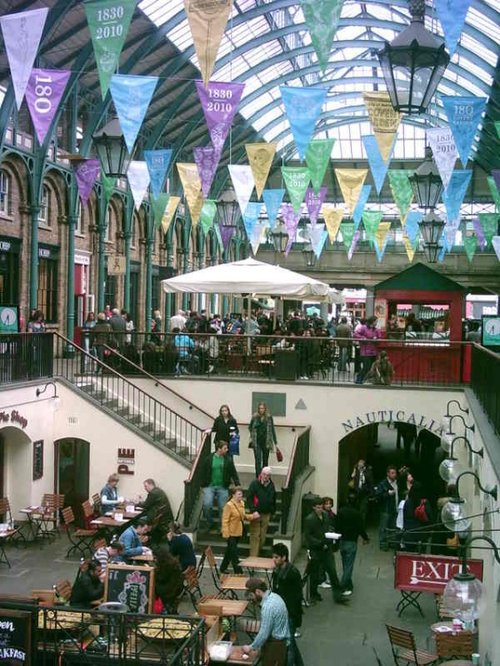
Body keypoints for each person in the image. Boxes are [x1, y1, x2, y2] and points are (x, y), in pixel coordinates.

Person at [303, 496, 347, 604]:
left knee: (332, 572)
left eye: (321, 507)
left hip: (326, 549)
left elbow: (328, 528)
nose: (320, 509)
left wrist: (331, 536)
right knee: (314, 574)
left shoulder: (326, 516)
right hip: (316, 550)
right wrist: (319, 543)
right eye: (318, 507)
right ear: (314, 508)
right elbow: (308, 536)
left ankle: (338, 596)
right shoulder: (309, 519)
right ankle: (314, 594)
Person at [242, 578, 290, 666]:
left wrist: (251, 647)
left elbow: (264, 633)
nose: (252, 599)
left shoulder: (268, 607)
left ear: (258, 592)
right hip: (281, 641)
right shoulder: (275, 596)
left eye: (251, 595)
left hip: (275, 645)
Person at [272, 543, 304, 666]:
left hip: (289, 614)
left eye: (276, 557)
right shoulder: (278, 571)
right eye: (273, 557)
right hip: (284, 612)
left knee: (289, 647)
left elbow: (295, 597)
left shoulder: (292, 574)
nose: (274, 560)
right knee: (291, 643)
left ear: (284, 557)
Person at [200, 440, 240, 531]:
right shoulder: (209, 459)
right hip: (209, 485)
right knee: (207, 504)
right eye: (225, 448)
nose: (227, 450)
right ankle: (209, 522)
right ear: (219, 449)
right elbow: (202, 471)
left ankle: (221, 526)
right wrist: (202, 484)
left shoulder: (228, 459)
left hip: (222, 486)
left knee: (223, 507)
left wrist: (237, 484)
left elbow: (233, 472)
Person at [335, 493, 369, 595]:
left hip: (342, 540)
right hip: (352, 541)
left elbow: (337, 526)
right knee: (349, 565)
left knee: (345, 563)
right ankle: (343, 586)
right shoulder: (357, 514)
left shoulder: (341, 512)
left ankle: (349, 585)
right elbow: (360, 528)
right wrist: (365, 538)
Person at [220, 486, 256, 574]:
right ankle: (238, 571)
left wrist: (252, 516)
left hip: (238, 532)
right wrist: (226, 534)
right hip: (230, 533)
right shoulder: (229, 505)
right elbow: (225, 520)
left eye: (241, 494)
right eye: (239, 494)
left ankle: (223, 567)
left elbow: (242, 516)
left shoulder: (242, 503)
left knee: (229, 551)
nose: (241, 496)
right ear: (233, 495)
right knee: (234, 553)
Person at [247, 467, 276, 557]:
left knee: (262, 537)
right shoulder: (254, 484)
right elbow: (249, 498)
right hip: (256, 513)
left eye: (268, 475)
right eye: (264, 474)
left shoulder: (271, 485)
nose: (266, 477)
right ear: (261, 474)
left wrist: (273, 511)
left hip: (266, 513)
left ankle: (257, 552)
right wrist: (253, 510)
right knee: (255, 536)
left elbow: (273, 499)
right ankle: (253, 557)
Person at [137, 479, 173, 545]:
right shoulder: (159, 491)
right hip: (164, 518)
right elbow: (148, 504)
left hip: (157, 519)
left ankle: (141, 540)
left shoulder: (153, 493)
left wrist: (136, 503)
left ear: (151, 485)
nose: (145, 488)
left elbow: (145, 505)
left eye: (146, 486)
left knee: (138, 520)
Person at [249, 402, 278, 477]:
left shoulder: (269, 417)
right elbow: (250, 427)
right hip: (257, 441)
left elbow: (272, 429)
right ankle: (258, 476)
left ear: (265, 409)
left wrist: (275, 441)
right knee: (258, 460)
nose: (261, 410)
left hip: (266, 441)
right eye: (260, 408)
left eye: (262, 408)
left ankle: (265, 476)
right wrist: (253, 435)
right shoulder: (255, 417)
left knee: (265, 460)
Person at [154, 545, 184, 614]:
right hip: (175, 589)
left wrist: (154, 571)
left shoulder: (167, 567)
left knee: (150, 587)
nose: (154, 560)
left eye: (155, 558)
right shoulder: (171, 563)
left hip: (169, 591)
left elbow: (161, 578)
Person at [375, 465, 399, 551]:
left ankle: (392, 542)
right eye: (392, 473)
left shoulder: (397, 483)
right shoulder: (383, 484)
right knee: (383, 527)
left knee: (393, 527)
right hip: (385, 509)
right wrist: (387, 494)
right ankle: (383, 543)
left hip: (395, 508)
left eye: (395, 473)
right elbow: (377, 496)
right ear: (388, 473)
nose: (394, 475)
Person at [349, 459, 374, 524]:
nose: (360, 466)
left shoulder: (368, 472)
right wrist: (354, 470)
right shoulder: (356, 471)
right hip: (356, 492)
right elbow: (351, 478)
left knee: (363, 510)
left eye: (361, 465)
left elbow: (371, 483)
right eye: (359, 465)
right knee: (355, 509)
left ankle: (361, 525)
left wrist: (371, 494)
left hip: (365, 493)